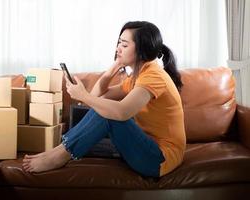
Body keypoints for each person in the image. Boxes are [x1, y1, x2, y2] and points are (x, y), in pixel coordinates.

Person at [23, 21, 186, 177]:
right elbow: (97, 97)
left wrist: (83, 96)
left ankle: (60, 154)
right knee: (104, 108)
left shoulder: (153, 76)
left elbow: (122, 112)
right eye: (118, 43)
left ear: (142, 50)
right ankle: (60, 150)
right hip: (145, 147)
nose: (118, 49)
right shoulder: (138, 76)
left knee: (110, 114)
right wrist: (114, 68)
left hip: (159, 159)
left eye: (124, 45)